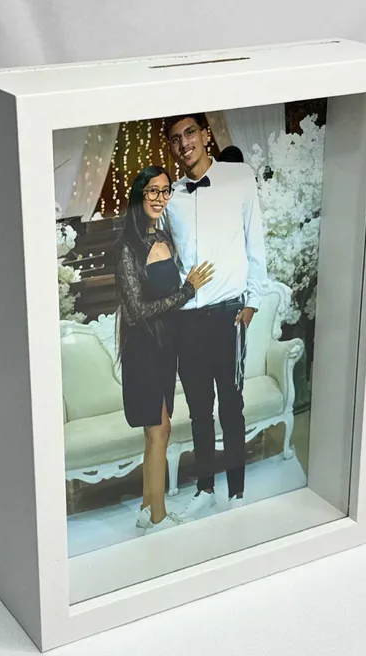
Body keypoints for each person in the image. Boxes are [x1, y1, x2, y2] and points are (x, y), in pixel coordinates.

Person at [160, 113, 267, 520]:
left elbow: (255, 244)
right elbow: (162, 256)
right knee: (199, 412)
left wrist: (252, 303)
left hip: (228, 316)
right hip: (187, 321)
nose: (183, 143)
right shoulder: (171, 197)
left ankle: (236, 493)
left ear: (206, 135)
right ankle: (205, 489)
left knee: (231, 409)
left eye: (190, 133)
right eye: (175, 138)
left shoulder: (240, 178)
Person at [113, 165, 215, 534]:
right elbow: (137, 311)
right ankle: (158, 516)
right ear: (140, 194)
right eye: (152, 190)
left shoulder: (165, 237)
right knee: (160, 430)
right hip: (143, 349)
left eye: (165, 190)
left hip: (165, 347)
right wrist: (187, 291)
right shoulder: (128, 248)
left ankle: (146, 508)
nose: (160, 197)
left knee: (156, 431)